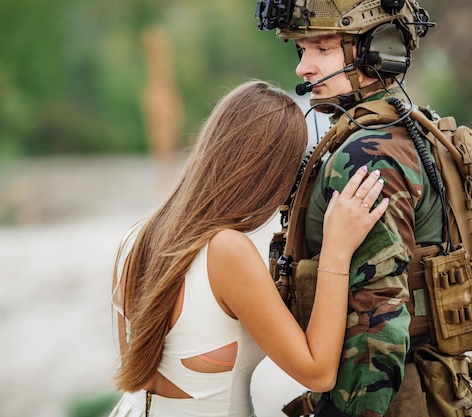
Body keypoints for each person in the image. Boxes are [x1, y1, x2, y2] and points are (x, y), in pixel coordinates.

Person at [106, 80, 389, 417]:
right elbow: (318, 371)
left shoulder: (137, 237)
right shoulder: (227, 251)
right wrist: (336, 250)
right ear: (271, 173)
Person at [255, 1, 472, 416]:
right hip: (431, 383)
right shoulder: (404, 126)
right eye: (301, 51)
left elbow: (378, 319)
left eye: (321, 49)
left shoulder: (366, 155)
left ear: (379, 50)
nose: (303, 68)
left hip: (383, 395)